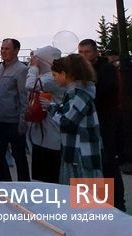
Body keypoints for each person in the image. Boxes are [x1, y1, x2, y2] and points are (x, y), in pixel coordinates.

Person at [78, 39, 126, 211]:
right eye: (81, 52)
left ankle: (118, 207)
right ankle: (96, 206)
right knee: (92, 167)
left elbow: (104, 91)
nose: (83, 56)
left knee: (108, 165)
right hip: (89, 127)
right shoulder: (81, 72)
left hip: (106, 124)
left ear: (96, 52)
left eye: (87, 52)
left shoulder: (107, 69)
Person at [43, 54, 103, 184]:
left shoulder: (80, 93)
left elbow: (68, 122)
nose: (54, 79)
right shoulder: (78, 92)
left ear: (64, 74)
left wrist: (50, 108)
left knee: (84, 200)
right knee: (79, 199)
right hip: (77, 153)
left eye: (55, 75)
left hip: (81, 155)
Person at [0, 38, 30, 181]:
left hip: (14, 122)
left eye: (7, 49)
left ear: (16, 50)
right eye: (2, 48)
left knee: (19, 156)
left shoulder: (21, 70)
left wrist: (22, 121)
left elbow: (24, 97)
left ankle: (24, 187)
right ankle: (6, 185)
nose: (3, 51)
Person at [26, 46, 64, 183]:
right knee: (41, 177)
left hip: (51, 135)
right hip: (42, 135)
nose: (32, 61)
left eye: (36, 59)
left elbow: (30, 84)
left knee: (50, 177)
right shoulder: (48, 76)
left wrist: (34, 68)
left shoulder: (51, 78)